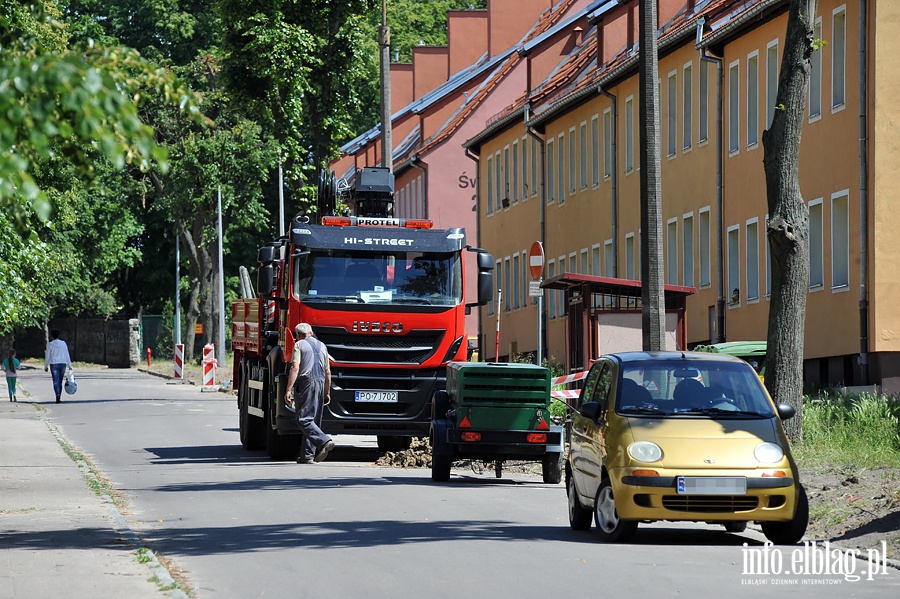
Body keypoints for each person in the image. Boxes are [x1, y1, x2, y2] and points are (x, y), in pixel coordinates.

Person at [284, 323, 334, 464]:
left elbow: (295, 367)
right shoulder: (322, 346)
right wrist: (327, 391)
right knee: (314, 420)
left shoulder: (299, 345)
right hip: (320, 381)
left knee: (304, 419)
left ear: (298, 335)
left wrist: (288, 389)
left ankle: (324, 441)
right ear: (311, 333)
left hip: (306, 382)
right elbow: (328, 372)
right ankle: (307, 455)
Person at [45, 330, 73, 403]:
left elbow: (47, 355)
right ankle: (59, 395)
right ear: (59, 335)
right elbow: (67, 354)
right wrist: (70, 365)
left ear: (52, 336)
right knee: (60, 381)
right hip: (62, 363)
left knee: (55, 381)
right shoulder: (63, 343)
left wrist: (46, 366)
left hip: (54, 364)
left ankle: (57, 394)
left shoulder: (50, 344)